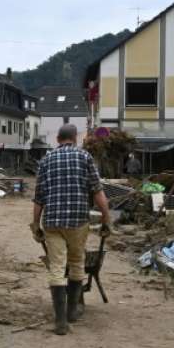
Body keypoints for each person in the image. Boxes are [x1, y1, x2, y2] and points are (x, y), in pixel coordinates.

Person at [30, 124, 111, 335]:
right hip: (77, 221)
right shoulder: (85, 158)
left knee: (57, 266)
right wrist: (106, 218)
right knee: (76, 262)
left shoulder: (46, 160)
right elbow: (97, 191)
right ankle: (72, 312)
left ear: (57, 138)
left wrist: (35, 224)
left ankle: (60, 322)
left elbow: (39, 197)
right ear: (75, 138)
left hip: (53, 222)